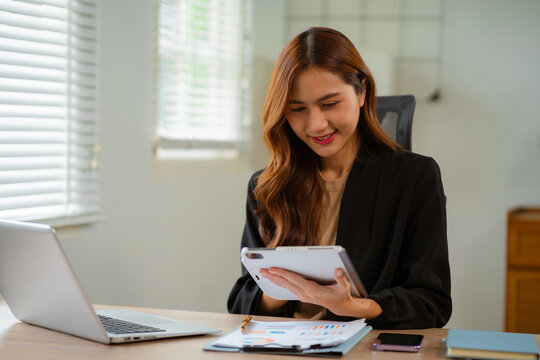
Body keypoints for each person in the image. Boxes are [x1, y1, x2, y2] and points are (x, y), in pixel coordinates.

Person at [227, 27, 451, 329]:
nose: (316, 124)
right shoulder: (267, 186)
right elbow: (240, 300)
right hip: (279, 344)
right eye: (297, 109)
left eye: (330, 104)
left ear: (362, 92)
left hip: (362, 345)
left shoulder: (415, 177)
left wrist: (355, 306)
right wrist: (279, 287)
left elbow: (431, 303)